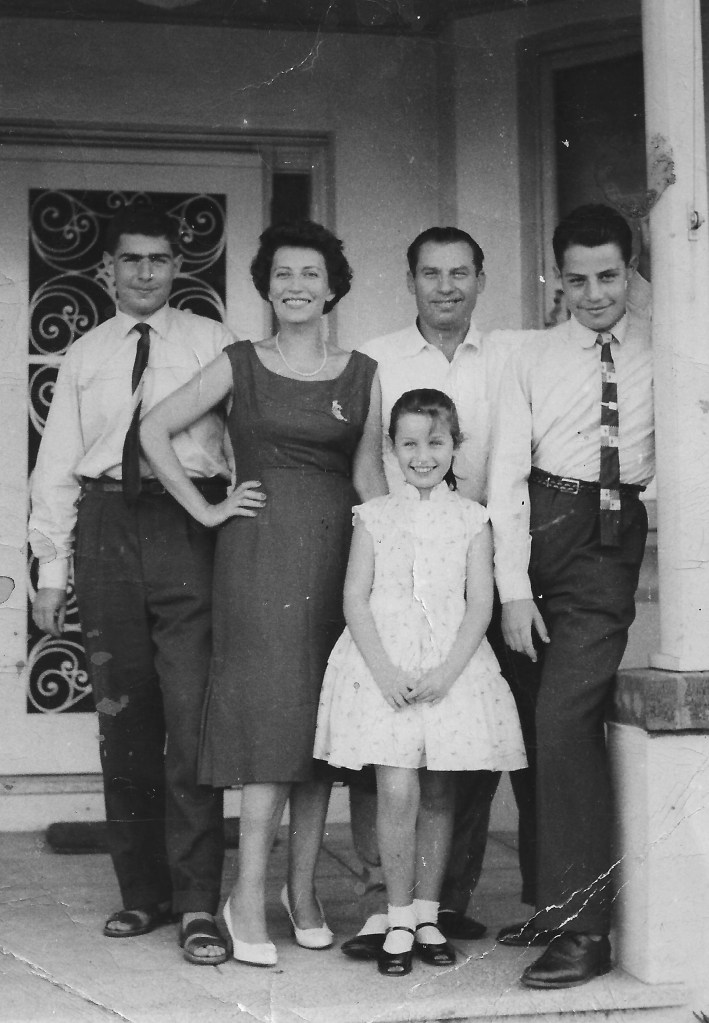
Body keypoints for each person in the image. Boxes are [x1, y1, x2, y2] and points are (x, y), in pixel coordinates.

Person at [140, 219, 386, 968]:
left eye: (311, 274)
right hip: (257, 560)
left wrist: (392, 573)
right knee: (270, 726)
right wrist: (207, 507)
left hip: (335, 560)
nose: (297, 286)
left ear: (333, 285)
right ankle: (245, 896)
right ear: (266, 285)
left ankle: (300, 890)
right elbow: (153, 428)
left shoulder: (362, 372)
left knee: (320, 727)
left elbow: (370, 479)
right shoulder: (239, 362)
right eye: (283, 274)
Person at [29, 205, 234, 965]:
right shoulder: (84, 353)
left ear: (179, 267)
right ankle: (141, 892)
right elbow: (54, 468)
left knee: (191, 714)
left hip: (188, 527)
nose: (145, 272)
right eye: (131, 260)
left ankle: (197, 902)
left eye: (159, 259)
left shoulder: (214, 344)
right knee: (125, 716)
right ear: (106, 270)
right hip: (107, 524)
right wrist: (52, 571)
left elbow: (242, 448)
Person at [341, 226, 535, 960]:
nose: (445, 286)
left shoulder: (507, 357)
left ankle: (438, 903)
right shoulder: (380, 358)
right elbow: (367, 458)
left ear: (480, 278)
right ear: (411, 279)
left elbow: (511, 463)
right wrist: (395, 529)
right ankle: (380, 902)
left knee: (459, 751)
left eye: (460, 273)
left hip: (474, 554)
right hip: (399, 560)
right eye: (431, 273)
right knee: (386, 752)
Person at [488, 203, 653, 988]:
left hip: (606, 534)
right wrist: (512, 589)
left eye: (608, 276)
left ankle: (586, 930)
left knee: (563, 721)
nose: (592, 294)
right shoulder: (528, 354)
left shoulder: (670, 346)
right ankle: (552, 904)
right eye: (576, 278)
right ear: (555, 276)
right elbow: (504, 473)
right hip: (535, 527)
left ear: (631, 269)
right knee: (530, 724)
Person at [314, 389, 526, 977]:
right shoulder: (375, 515)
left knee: (439, 794)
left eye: (435, 442)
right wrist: (382, 668)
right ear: (392, 449)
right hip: (385, 667)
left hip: (449, 668)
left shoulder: (472, 517)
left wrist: (447, 671)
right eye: (409, 443)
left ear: (456, 446)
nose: (423, 455)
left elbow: (480, 602)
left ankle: (428, 913)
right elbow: (355, 597)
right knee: (398, 790)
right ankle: (398, 914)